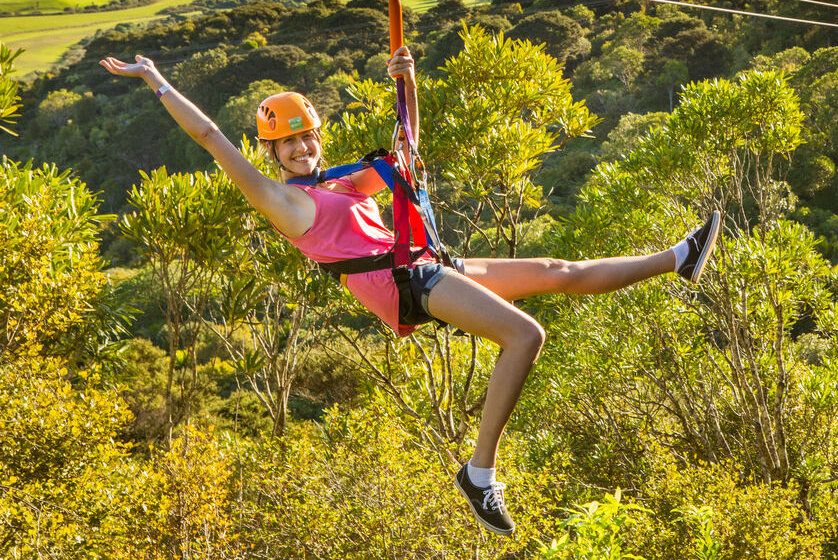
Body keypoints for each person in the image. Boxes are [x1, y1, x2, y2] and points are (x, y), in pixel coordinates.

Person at [101, 48, 721, 535]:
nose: (301, 146)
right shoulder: (284, 203)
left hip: (425, 264)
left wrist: (408, 82)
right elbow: (211, 136)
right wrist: (155, 77)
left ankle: (678, 258)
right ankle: (480, 474)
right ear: (272, 151)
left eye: (307, 135)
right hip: (409, 285)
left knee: (560, 271)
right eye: (287, 142)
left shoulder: (342, 186)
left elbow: (407, 150)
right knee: (525, 334)